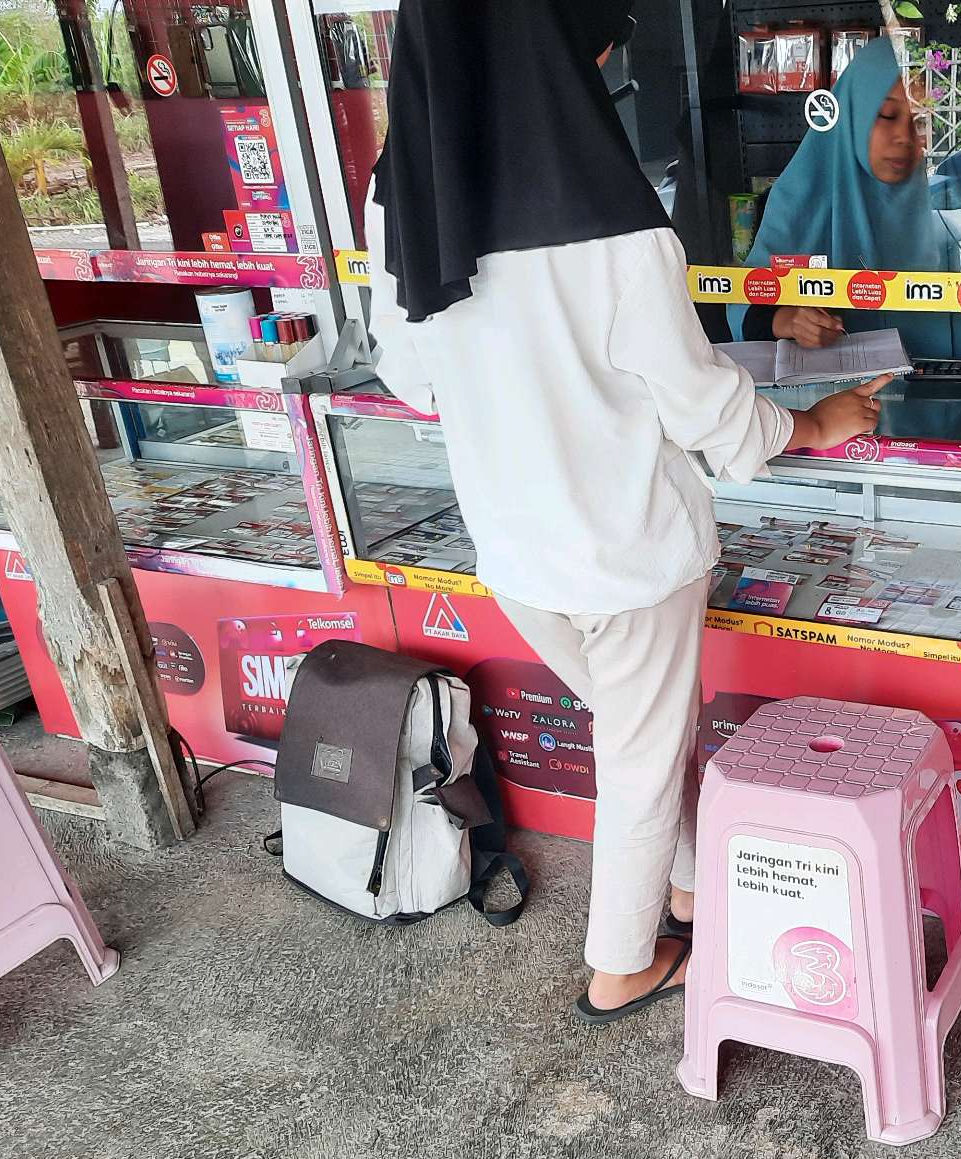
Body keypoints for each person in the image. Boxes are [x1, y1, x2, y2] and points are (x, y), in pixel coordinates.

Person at [364, 0, 889, 1023]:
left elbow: (413, 377)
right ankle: (621, 965)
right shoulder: (612, 218)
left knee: (638, 733)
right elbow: (702, 409)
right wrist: (813, 424)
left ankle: (688, 889)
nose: (609, 60)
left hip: (517, 556)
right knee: (642, 762)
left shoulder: (407, 192)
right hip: (631, 555)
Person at [731, 41, 961, 363]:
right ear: (854, 115)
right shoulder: (798, 202)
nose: (905, 136)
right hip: (831, 394)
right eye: (888, 115)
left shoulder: (940, 220)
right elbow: (744, 301)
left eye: (919, 121)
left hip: (923, 393)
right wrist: (787, 320)